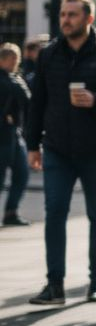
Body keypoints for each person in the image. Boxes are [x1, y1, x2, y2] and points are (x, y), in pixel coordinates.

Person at [25, 0, 96, 306]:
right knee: (54, 214)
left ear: (89, 18)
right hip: (58, 148)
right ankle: (55, 285)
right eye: (63, 14)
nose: (66, 20)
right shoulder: (49, 55)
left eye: (72, 15)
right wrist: (33, 144)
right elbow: (38, 103)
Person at [1, 43, 31, 226]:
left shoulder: (14, 79)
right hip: (3, 134)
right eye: (13, 59)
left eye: (17, 59)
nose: (16, 62)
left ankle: (11, 212)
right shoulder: (9, 81)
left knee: (22, 173)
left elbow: (27, 101)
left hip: (14, 133)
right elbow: (24, 97)